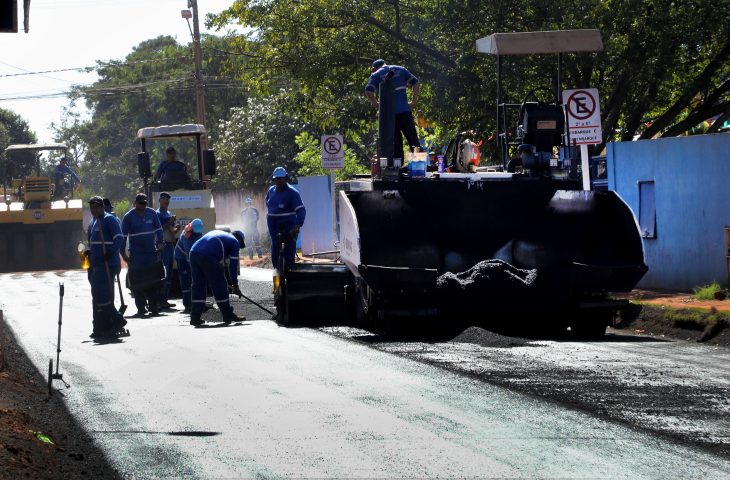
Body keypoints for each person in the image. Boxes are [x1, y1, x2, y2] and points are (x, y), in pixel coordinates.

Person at [364, 59, 422, 160]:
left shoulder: (376, 74)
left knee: (396, 143)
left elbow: (368, 90)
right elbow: (415, 83)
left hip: (390, 116)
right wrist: (414, 101)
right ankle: (419, 165)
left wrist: (376, 103)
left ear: (374, 69)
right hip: (405, 112)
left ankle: (398, 166)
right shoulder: (401, 69)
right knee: (413, 140)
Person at [86, 196, 126, 338]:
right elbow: (92, 243)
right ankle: (98, 327)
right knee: (96, 296)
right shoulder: (92, 222)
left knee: (102, 295)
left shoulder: (109, 220)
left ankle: (115, 320)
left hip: (107, 264)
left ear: (102, 207)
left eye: (96, 207)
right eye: (91, 207)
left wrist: (110, 252)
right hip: (95, 264)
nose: (93, 210)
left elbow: (119, 238)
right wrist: (89, 253)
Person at [189, 229, 247, 326]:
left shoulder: (221, 235)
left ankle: (195, 317)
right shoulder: (235, 242)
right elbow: (233, 267)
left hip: (193, 253)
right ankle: (228, 315)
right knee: (220, 285)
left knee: (198, 286)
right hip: (208, 256)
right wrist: (235, 285)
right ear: (239, 239)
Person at [121, 193, 164, 316]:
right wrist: (122, 252)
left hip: (150, 254)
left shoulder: (152, 213)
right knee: (137, 283)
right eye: (140, 203)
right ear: (135, 203)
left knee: (153, 281)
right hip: (136, 255)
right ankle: (141, 308)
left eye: (145, 203)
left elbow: (158, 229)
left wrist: (160, 243)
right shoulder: (128, 217)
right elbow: (123, 236)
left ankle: (153, 306)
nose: (143, 205)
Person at [266, 167, 306, 270]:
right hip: (273, 227)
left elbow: (301, 210)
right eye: (276, 179)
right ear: (273, 179)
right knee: (275, 251)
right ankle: (277, 272)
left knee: (289, 252)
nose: (278, 181)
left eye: (281, 178)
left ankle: (290, 274)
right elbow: (268, 204)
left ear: (286, 178)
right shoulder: (271, 190)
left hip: (288, 226)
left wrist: (297, 225)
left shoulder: (292, 192)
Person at [174, 218, 204, 314]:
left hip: (190, 256)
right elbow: (189, 255)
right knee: (186, 280)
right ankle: (187, 305)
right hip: (182, 258)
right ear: (192, 229)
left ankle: (195, 302)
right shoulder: (186, 237)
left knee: (193, 280)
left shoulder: (198, 233)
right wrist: (195, 268)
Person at [156, 192, 179, 309]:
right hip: (163, 247)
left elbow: (171, 231)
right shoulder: (157, 214)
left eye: (168, 199)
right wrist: (169, 222)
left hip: (170, 246)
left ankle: (164, 299)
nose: (166, 201)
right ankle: (159, 300)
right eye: (164, 199)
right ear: (160, 200)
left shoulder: (168, 213)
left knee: (169, 274)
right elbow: (159, 230)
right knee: (163, 274)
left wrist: (176, 229)